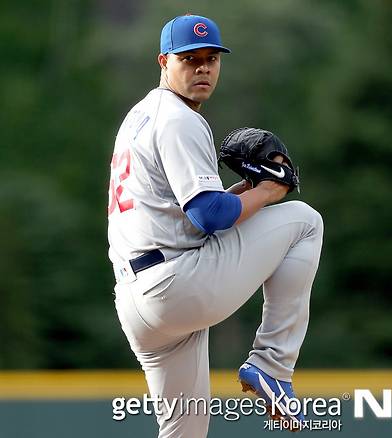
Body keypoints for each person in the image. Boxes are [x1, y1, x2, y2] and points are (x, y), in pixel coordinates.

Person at [107, 14, 323, 437]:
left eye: (211, 59)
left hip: (138, 301)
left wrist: (244, 192)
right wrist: (267, 192)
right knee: (305, 222)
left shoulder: (141, 116)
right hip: (176, 284)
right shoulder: (179, 118)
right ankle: (273, 366)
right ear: (164, 62)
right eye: (189, 59)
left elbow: (185, 211)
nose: (202, 68)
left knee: (185, 430)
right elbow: (208, 216)